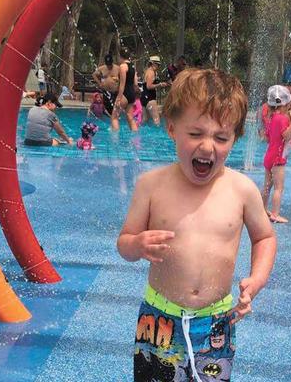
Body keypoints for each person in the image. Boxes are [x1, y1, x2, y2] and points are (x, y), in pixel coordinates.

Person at [117, 68, 276, 382]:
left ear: (235, 138)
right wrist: (136, 245)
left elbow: (265, 237)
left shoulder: (241, 190)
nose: (207, 147)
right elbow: (124, 242)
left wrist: (256, 280)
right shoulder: (151, 185)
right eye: (195, 134)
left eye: (221, 137)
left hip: (217, 321)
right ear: (172, 128)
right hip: (159, 321)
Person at [261, 85, 291, 224]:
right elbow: (287, 136)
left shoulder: (271, 118)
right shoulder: (282, 118)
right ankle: (275, 214)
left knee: (267, 186)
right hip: (278, 159)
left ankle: (262, 209)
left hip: (269, 156)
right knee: (279, 188)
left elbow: (267, 137)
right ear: (285, 104)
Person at [114, 47, 139, 132]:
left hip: (124, 93)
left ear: (120, 56)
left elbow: (122, 84)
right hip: (132, 93)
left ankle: (114, 139)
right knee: (130, 117)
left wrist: (118, 98)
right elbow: (135, 83)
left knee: (114, 117)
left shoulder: (122, 66)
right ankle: (136, 136)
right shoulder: (132, 66)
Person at [92, 53, 120, 128]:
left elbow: (122, 78)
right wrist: (99, 83)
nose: (109, 66)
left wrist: (117, 79)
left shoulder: (117, 68)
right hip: (106, 91)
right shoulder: (102, 68)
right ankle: (111, 124)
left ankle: (115, 124)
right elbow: (94, 75)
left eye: (110, 64)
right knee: (107, 108)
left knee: (115, 109)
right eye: (107, 64)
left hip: (115, 92)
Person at [141, 55, 170, 125]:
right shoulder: (151, 72)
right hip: (150, 98)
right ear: (153, 64)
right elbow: (149, 86)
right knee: (157, 121)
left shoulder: (147, 71)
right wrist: (160, 85)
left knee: (144, 121)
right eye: (157, 64)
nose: (158, 66)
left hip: (144, 97)